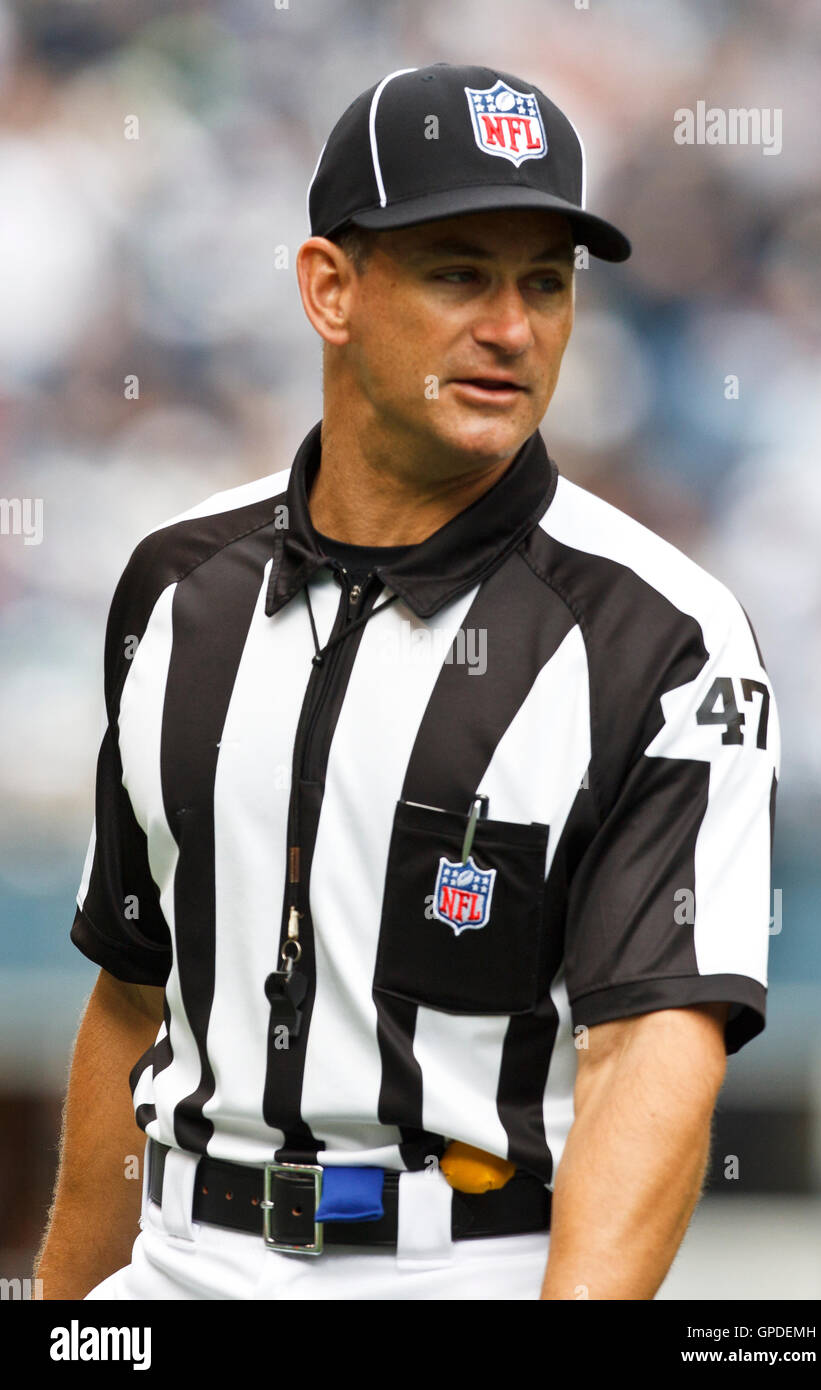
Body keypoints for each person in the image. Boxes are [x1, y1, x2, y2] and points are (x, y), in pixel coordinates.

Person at [35, 63, 779, 1301]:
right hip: (172, 1259)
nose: (511, 326)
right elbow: (130, 991)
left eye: (545, 282)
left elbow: (650, 1051)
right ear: (330, 287)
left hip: (460, 1269)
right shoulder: (175, 584)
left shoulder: (659, 631)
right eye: (457, 274)